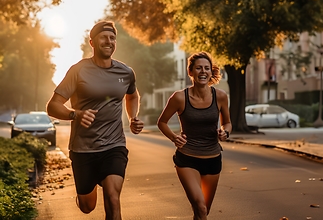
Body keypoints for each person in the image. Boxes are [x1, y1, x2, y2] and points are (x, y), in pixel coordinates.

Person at [46, 20, 144, 220]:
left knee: (113, 197)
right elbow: (52, 105)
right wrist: (75, 114)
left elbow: (132, 95)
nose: (109, 41)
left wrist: (133, 117)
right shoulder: (78, 70)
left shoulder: (125, 72)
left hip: (114, 146)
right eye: (104, 37)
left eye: (112, 38)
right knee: (87, 206)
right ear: (92, 42)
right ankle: (83, 196)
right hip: (84, 150)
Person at [157, 51, 232, 220]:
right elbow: (162, 122)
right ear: (190, 72)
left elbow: (227, 122)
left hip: (213, 159)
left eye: (207, 68)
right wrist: (174, 137)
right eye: (198, 68)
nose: (203, 71)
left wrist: (225, 132)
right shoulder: (179, 97)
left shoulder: (220, 96)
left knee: (203, 211)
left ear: (211, 72)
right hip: (187, 159)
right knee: (200, 206)